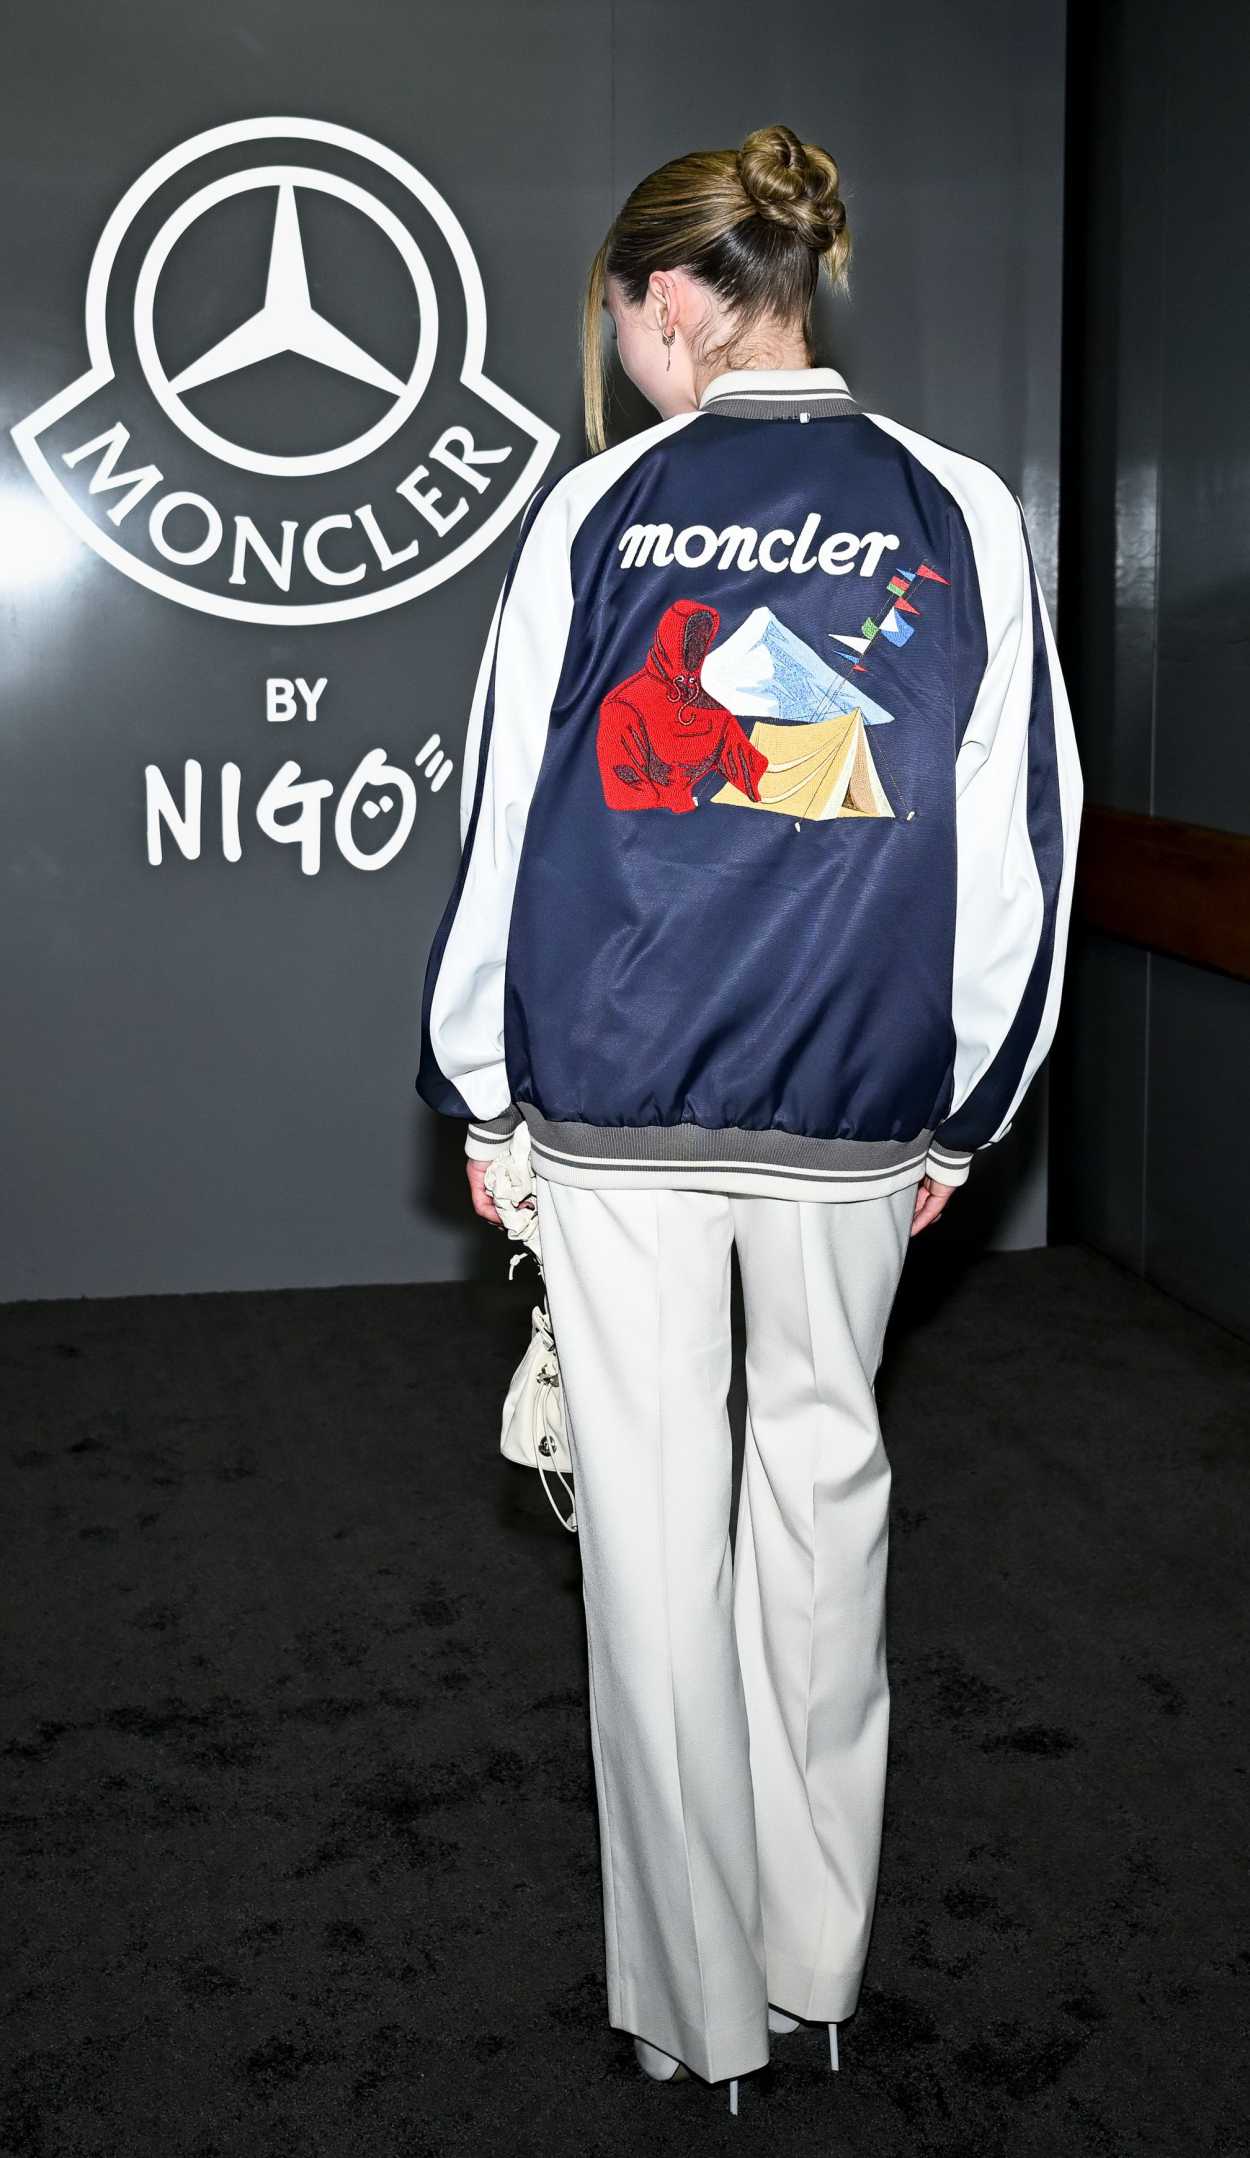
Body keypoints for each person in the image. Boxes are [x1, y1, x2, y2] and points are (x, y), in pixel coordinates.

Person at [415, 122, 1083, 2114]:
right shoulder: (960, 506)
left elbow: (504, 820)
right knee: (823, 1496)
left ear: (668, 300)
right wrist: (964, 1113)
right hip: (852, 1105)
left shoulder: (594, 508)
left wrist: (479, 1093)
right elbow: (1014, 843)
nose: (622, 356)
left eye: (619, 320)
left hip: (613, 1096)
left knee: (649, 1539)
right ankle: (820, 1967)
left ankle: (696, 2012)